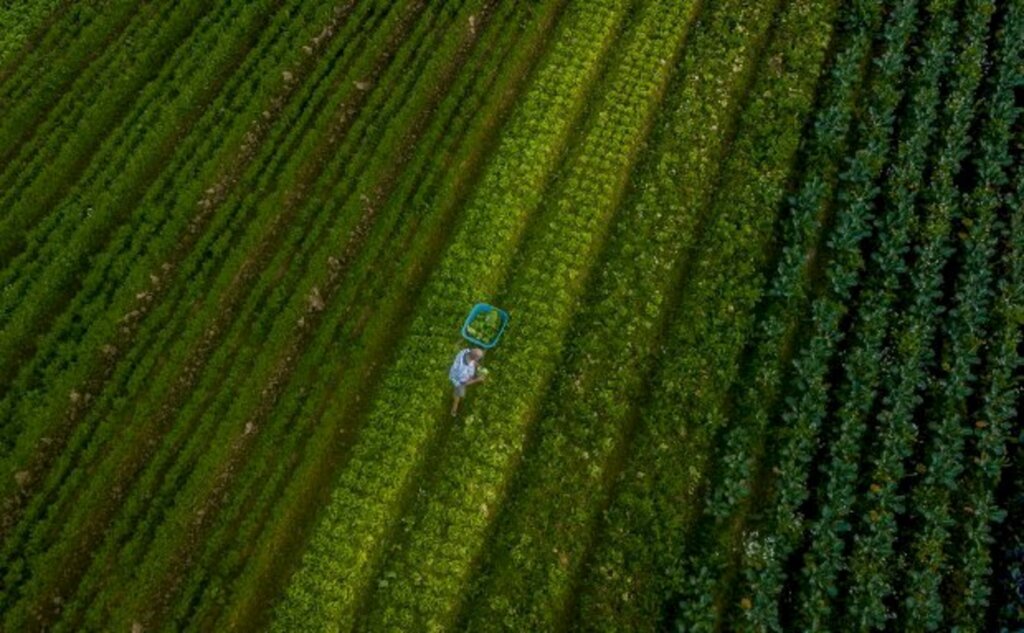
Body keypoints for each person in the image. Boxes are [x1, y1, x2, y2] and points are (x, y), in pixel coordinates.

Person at [449, 347, 486, 416]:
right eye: (478, 358)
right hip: (458, 380)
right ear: (475, 358)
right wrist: (477, 380)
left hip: (461, 373)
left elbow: (473, 360)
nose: (478, 360)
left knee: (475, 372)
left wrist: (477, 366)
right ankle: (453, 410)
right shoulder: (463, 370)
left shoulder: (466, 351)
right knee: (458, 395)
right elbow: (464, 383)